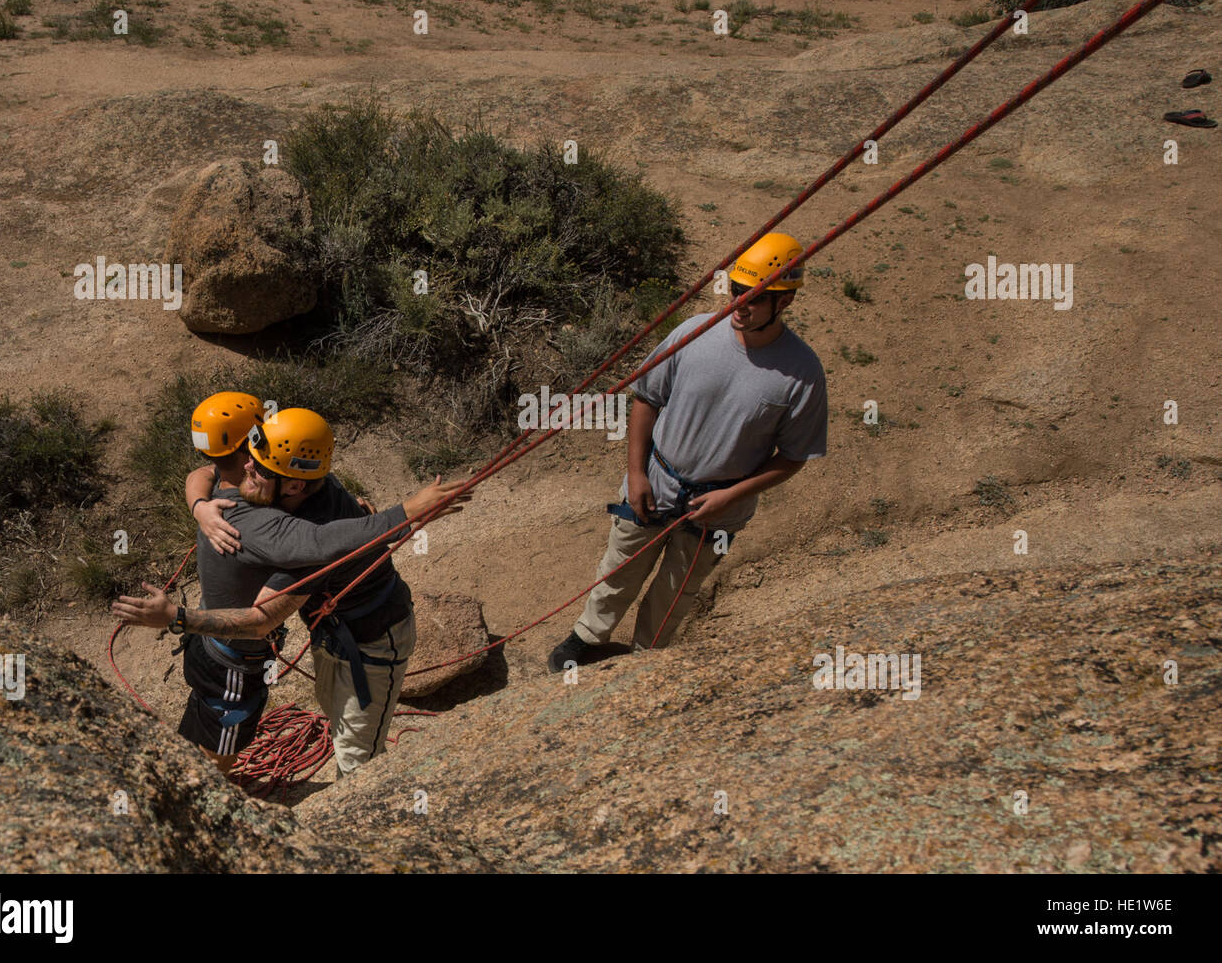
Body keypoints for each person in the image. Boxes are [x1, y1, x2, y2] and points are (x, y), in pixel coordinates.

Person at [114, 407, 471, 777]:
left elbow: (259, 619)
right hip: (333, 634)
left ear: (295, 485)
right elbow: (207, 472)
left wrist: (175, 618)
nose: (245, 470)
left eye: (258, 468)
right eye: (249, 458)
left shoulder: (300, 540)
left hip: (372, 640)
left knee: (358, 758)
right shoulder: (297, 484)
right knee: (338, 720)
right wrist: (200, 506)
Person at [547, 232, 828, 670]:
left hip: (719, 509)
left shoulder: (802, 373)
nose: (740, 304)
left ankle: (646, 659)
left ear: (785, 302)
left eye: (755, 297)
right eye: (736, 291)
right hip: (655, 483)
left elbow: (793, 457)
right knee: (620, 567)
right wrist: (636, 474)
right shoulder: (694, 333)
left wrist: (728, 497)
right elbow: (647, 398)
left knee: (677, 589)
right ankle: (587, 636)